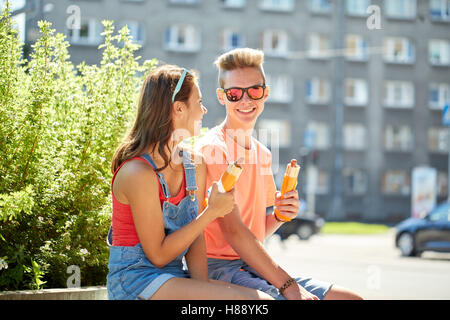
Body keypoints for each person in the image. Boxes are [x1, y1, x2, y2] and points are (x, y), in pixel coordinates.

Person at [197, 48, 363, 300]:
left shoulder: (263, 153)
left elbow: (255, 233)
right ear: (222, 97)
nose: (245, 100)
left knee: (350, 299)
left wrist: (279, 215)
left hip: (252, 264)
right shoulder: (214, 149)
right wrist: (290, 286)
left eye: (254, 90)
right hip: (218, 269)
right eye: (234, 93)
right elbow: (234, 233)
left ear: (266, 92)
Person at [106, 64, 273, 300]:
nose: (204, 111)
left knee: (264, 299)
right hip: (136, 281)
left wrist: (204, 290)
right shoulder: (138, 173)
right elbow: (159, 255)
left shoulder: (194, 163)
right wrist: (211, 213)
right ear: (179, 109)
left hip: (173, 278)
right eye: (199, 102)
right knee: (250, 302)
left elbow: (196, 239)